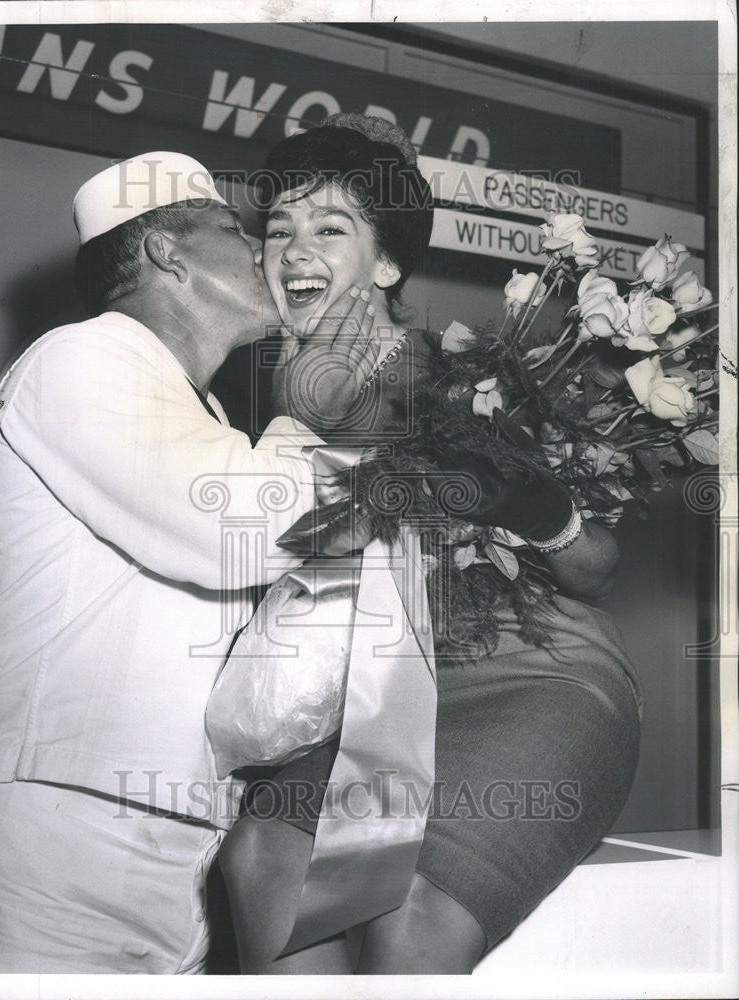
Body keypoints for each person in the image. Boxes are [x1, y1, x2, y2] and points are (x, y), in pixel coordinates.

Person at [215, 116, 646, 974]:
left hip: (532, 675)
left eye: (330, 228)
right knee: (259, 862)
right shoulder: (255, 408)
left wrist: (529, 500)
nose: (295, 249)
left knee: (406, 924)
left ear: (385, 264)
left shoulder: (470, 379)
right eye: (278, 230)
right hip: (363, 699)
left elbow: (596, 567)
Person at [0, 150, 378, 973]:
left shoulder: (203, 408)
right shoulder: (80, 359)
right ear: (166, 253)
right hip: (58, 830)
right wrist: (316, 407)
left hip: (179, 843)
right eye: (235, 230)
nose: (267, 253)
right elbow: (242, 530)